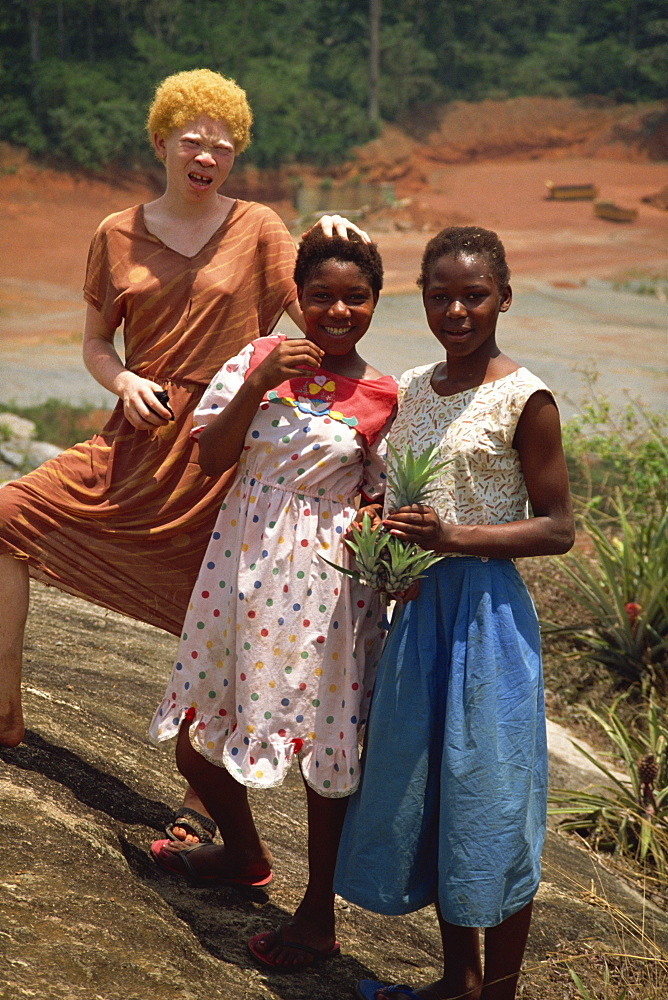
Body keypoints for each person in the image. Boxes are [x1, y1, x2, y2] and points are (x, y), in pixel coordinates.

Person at [0, 67, 366, 844]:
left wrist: (332, 241)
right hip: (135, 437)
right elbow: (98, 345)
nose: (208, 155)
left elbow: (327, 324)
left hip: (224, 455)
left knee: (221, 625)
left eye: (224, 147)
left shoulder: (262, 228)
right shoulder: (114, 233)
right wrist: (124, 378)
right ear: (161, 141)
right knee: (8, 514)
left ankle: (205, 808)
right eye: (194, 141)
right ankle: (3, 706)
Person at [333, 226, 575, 1000]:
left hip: (489, 616)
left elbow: (558, 526)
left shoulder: (525, 396)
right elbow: (400, 493)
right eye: (441, 296)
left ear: (504, 296)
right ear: (424, 299)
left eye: (474, 295)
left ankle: (497, 991)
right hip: (421, 611)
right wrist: (385, 534)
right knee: (437, 792)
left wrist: (455, 535)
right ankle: (458, 981)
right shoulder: (410, 388)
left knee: (492, 802)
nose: (457, 310)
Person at [147, 227, 397, 970]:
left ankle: (317, 916)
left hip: (324, 587)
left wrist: (378, 529)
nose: (338, 310)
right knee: (200, 737)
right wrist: (260, 381)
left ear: (377, 302)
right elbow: (209, 456)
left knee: (323, 752)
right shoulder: (256, 357)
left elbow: (382, 494)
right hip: (239, 565)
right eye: (321, 296)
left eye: (356, 297)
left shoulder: (387, 394)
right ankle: (245, 857)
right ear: (298, 299)